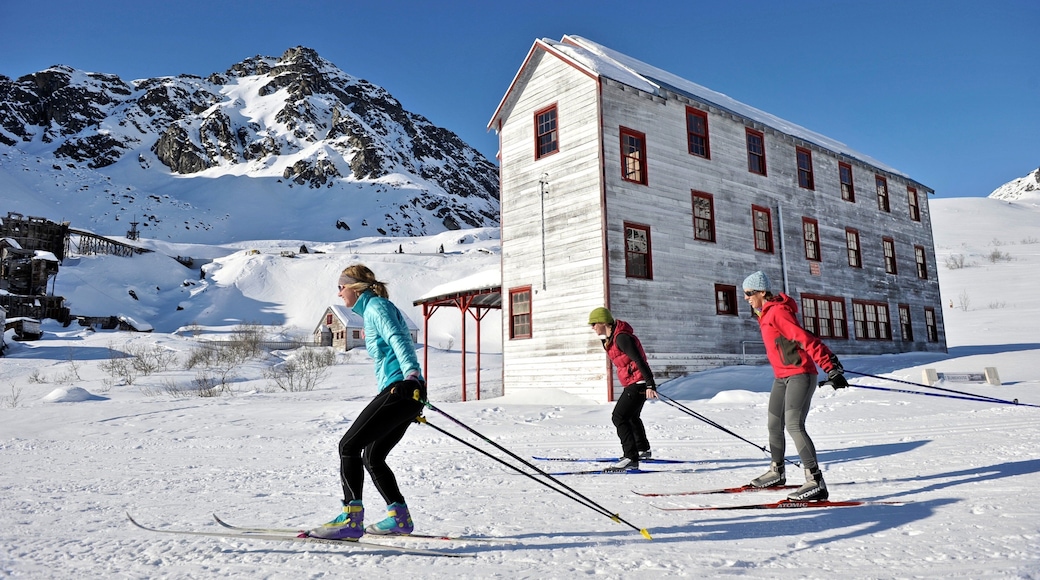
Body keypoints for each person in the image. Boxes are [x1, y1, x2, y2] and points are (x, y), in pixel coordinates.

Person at [307, 264, 427, 539]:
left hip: (401, 389)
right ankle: (399, 517)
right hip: (404, 391)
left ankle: (351, 519)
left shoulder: (376, 307)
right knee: (373, 457)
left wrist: (410, 375)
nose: (339, 294)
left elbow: (399, 339)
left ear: (355, 287)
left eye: (341, 287)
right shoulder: (375, 308)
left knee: (348, 446)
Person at [741, 271, 849, 501]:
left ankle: (815, 481)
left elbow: (804, 338)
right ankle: (777, 472)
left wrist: (829, 366)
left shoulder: (777, 311)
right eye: (744, 294)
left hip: (800, 375)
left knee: (793, 425)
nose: (746, 298)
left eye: (749, 293)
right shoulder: (764, 313)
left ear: (762, 292)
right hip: (782, 377)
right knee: (774, 423)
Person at [588, 307, 659, 472]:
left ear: (603, 322)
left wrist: (650, 384)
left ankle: (630, 457)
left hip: (638, 383)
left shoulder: (621, 338)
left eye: (593, 323)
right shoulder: (612, 338)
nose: (592, 327)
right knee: (632, 416)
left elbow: (639, 360)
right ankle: (642, 450)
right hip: (634, 382)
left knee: (619, 417)